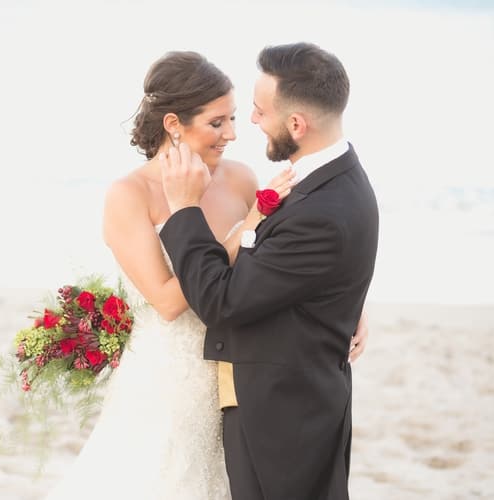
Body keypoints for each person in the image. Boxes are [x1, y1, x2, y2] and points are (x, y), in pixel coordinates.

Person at [45, 50, 368, 500]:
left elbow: (291, 257)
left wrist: (348, 304)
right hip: (172, 380)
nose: (232, 134)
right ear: (175, 124)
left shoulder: (239, 178)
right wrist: (239, 229)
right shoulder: (129, 195)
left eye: (235, 118)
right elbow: (170, 302)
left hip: (243, 380)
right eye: (217, 123)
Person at [158, 42, 379, 500]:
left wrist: (183, 210)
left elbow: (220, 301)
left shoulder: (322, 208)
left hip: (284, 420)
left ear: (297, 124)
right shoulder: (329, 180)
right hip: (289, 404)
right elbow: (303, 269)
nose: (251, 123)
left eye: (259, 112)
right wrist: (340, 302)